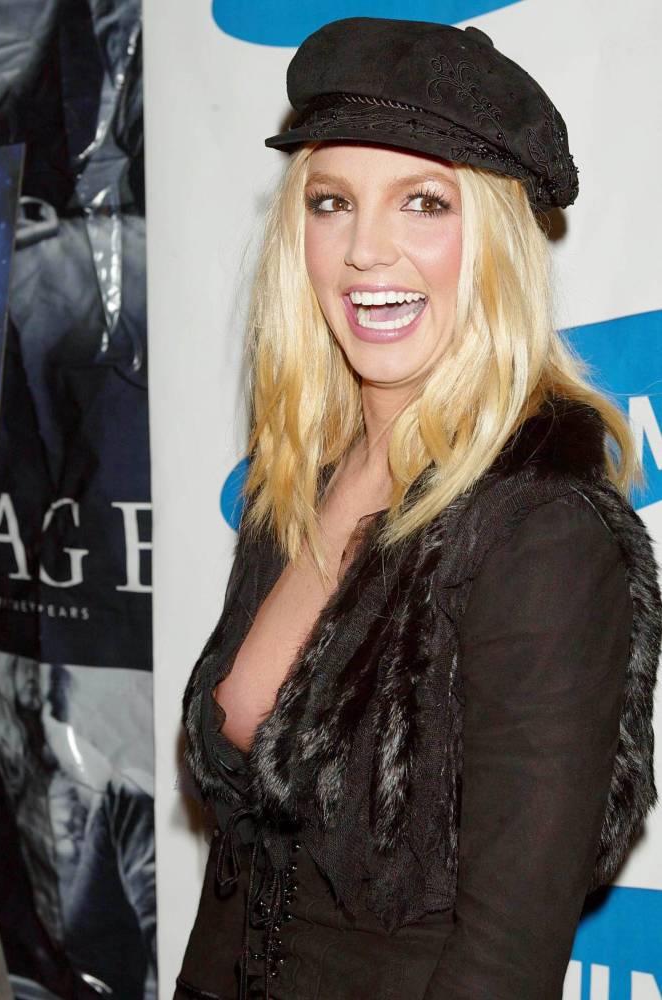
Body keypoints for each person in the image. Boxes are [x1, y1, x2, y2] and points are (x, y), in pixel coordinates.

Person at [174, 17, 661, 1000]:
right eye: (332, 202)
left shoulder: (541, 531)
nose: (365, 250)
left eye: (423, 203)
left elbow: (504, 960)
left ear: (495, 244)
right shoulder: (296, 486)